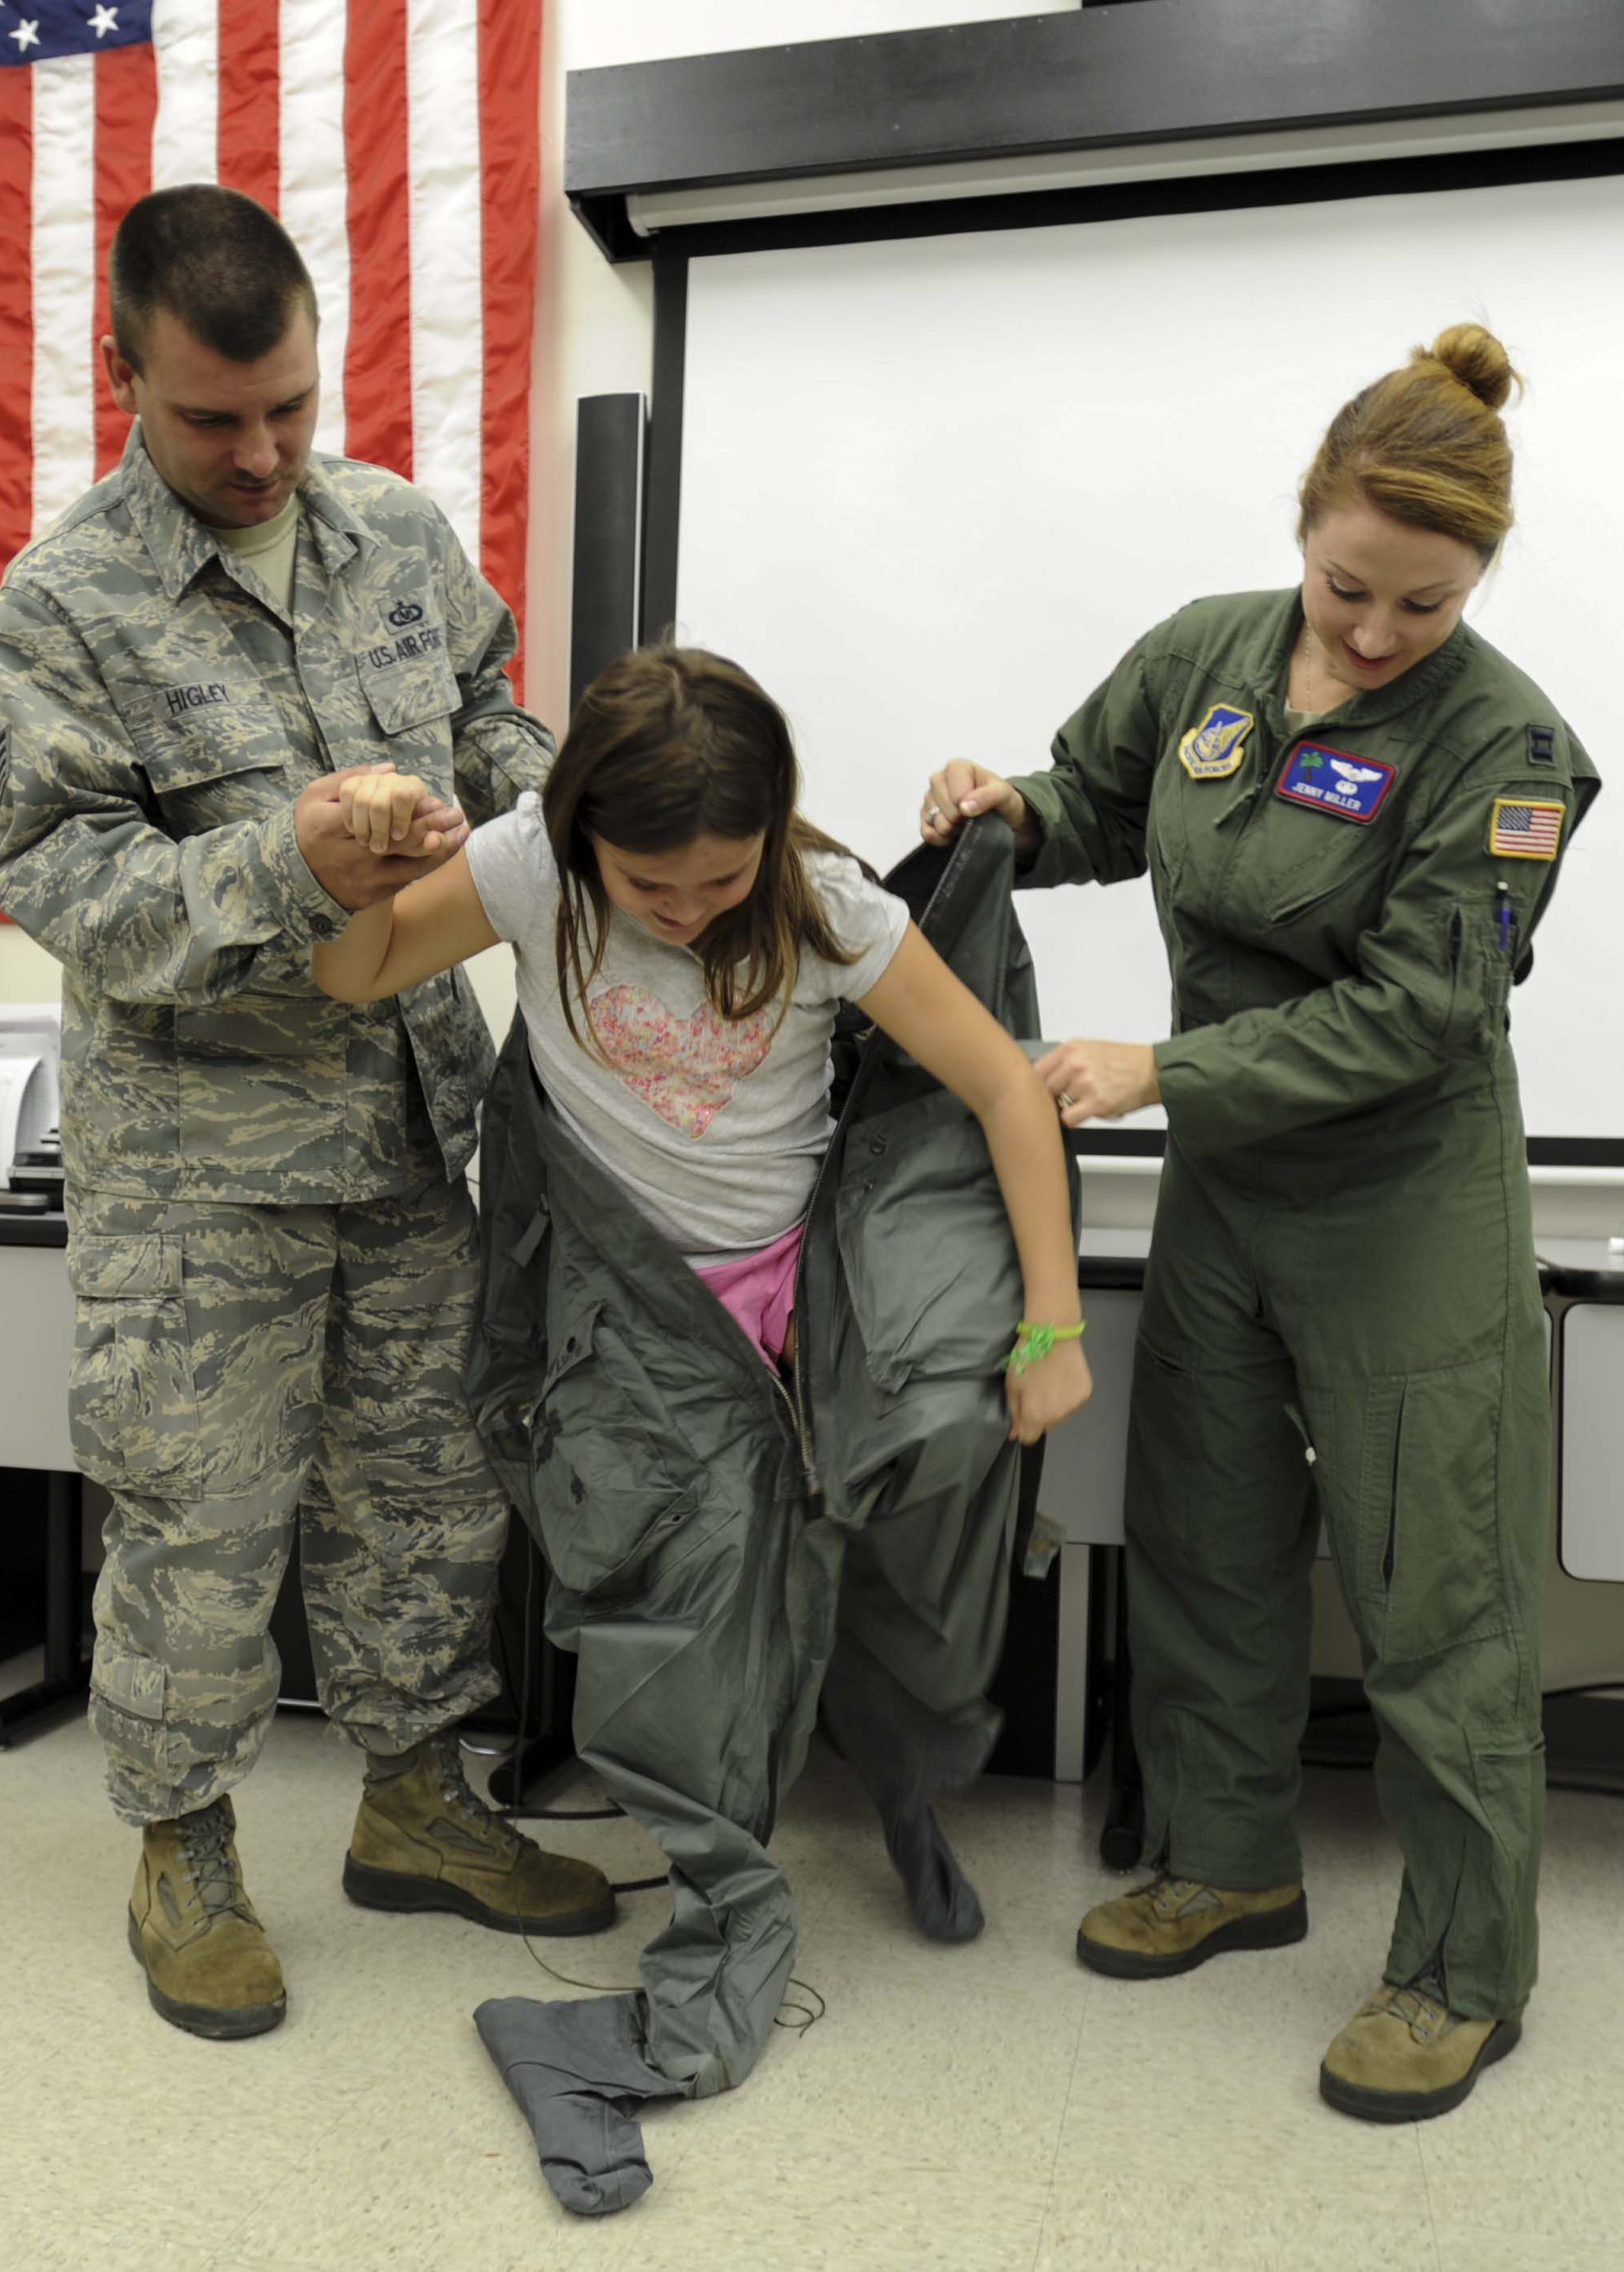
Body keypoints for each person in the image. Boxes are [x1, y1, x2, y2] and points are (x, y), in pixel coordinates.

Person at [918, 324, 1600, 2124]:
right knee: (1207, 1540)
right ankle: (1226, 1862)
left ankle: (1462, 1967)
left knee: (1430, 1596)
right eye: (1347, 588)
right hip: (1229, 1188)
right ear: (1304, 530)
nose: (1373, 636)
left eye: (1421, 608)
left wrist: (1158, 1069)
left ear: (1476, 585)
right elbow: (1101, 801)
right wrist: (1007, 805)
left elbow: (1420, 1013)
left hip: (1396, 1202)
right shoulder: (1212, 653)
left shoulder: (1508, 748)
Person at [314, 644, 1090, 2211]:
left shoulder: (823, 908)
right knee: (665, 1634)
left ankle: (903, 1773)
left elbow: (1004, 1092)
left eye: (715, 883)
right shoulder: (531, 868)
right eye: (648, 888)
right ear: (580, 830)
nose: (682, 912)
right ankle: (718, 1915)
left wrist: (1053, 1329)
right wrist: (343, 872)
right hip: (625, 1311)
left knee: (910, 1550)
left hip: (803, 1300)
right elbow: (355, 974)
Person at [0, 184, 615, 2045]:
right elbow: (68, 886)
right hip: (200, 1171)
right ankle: (180, 1848)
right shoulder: (64, 598)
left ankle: (416, 1805)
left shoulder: (396, 534)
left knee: (427, 1498)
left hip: (419, 1120)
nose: (258, 453)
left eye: (287, 408)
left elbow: (498, 720)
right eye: (209, 419)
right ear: (125, 379)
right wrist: (288, 856)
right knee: (201, 1520)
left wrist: (578, 809)